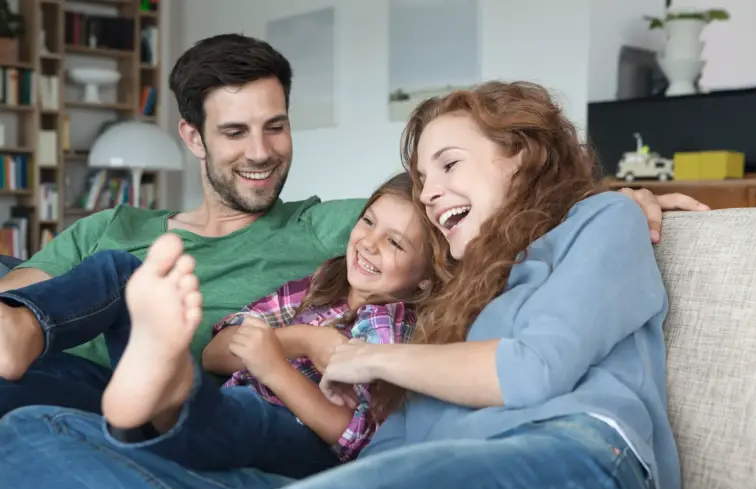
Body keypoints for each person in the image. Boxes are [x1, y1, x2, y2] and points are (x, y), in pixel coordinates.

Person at [0, 80, 680, 489]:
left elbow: (529, 369)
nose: (432, 189)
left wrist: (359, 357)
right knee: (30, 435)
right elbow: (385, 442)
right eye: (421, 175)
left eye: (448, 164)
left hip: (568, 454)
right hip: (396, 471)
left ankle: (164, 394)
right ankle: (162, 390)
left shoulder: (600, 221)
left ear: (524, 155)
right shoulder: (454, 284)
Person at [0, 33, 706, 419]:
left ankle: (152, 381)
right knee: (99, 285)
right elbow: (24, 287)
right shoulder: (115, 222)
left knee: (127, 278)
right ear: (192, 137)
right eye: (237, 131)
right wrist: (22, 315)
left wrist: (604, 196)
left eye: (275, 126)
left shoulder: (323, 228)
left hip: (191, 402)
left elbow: (449, 209)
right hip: (68, 377)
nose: (261, 151)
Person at [0, 173, 439, 478]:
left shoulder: (392, 325)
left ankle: (159, 404)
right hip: (225, 399)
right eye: (367, 221)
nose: (369, 243)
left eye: (396, 243)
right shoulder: (319, 283)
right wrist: (303, 338)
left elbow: (356, 438)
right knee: (119, 269)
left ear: (426, 276)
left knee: (242, 414)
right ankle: (27, 327)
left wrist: (274, 368)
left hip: (292, 440)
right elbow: (217, 350)